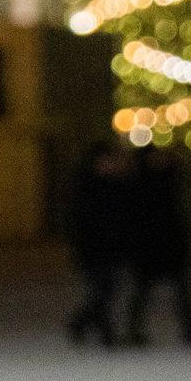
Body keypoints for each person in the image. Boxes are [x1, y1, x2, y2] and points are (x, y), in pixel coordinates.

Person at [121, 146, 191, 345]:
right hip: (148, 246)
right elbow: (133, 219)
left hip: (170, 245)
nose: (160, 161)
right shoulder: (139, 184)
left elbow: (181, 216)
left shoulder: (174, 181)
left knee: (181, 293)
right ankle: (133, 331)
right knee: (143, 292)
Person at [65, 141, 137, 346]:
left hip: (113, 248)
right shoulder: (87, 187)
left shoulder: (119, 185)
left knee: (108, 292)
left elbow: (126, 217)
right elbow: (79, 220)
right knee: (102, 291)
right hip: (93, 248)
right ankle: (104, 333)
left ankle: (83, 324)